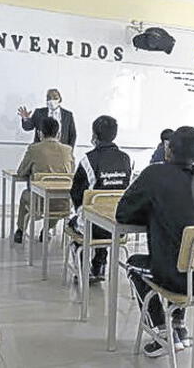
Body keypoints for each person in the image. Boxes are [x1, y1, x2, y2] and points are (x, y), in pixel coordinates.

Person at [116, 126, 194, 357]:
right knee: (186, 258)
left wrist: (152, 214)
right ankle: (179, 327)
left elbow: (122, 214)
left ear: (168, 149)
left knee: (134, 264)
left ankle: (163, 332)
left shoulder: (154, 174)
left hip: (176, 276)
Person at [68, 116, 132, 280]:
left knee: (77, 222)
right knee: (103, 217)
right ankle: (100, 264)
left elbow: (76, 193)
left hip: (92, 227)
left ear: (94, 135)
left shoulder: (88, 160)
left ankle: (84, 269)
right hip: (118, 226)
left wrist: (79, 211)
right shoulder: (125, 159)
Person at [13, 117, 75, 243]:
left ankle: (20, 230)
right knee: (56, 198)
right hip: (65, 204)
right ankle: (47, 230)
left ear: (39, 133)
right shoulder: (68, 150)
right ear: (58, 134)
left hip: (39, 203)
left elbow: (21, 173)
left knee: (25, 194)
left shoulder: (34, 149)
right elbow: (71, 173)